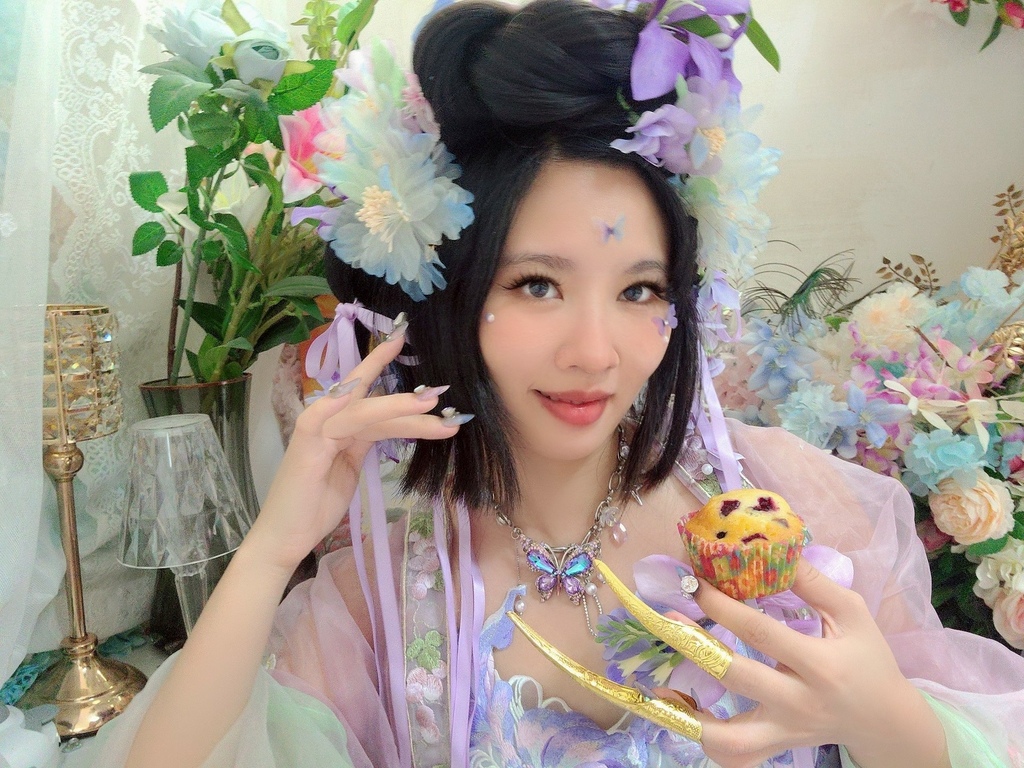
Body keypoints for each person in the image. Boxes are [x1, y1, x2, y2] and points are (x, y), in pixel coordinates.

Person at [92, 1, 1024, 766]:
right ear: (451, 296)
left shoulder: (794, 505)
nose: (594, 352)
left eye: (640, 290)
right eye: (537, 285)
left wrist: (890, 729)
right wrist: (270, 550)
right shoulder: (381, 599)